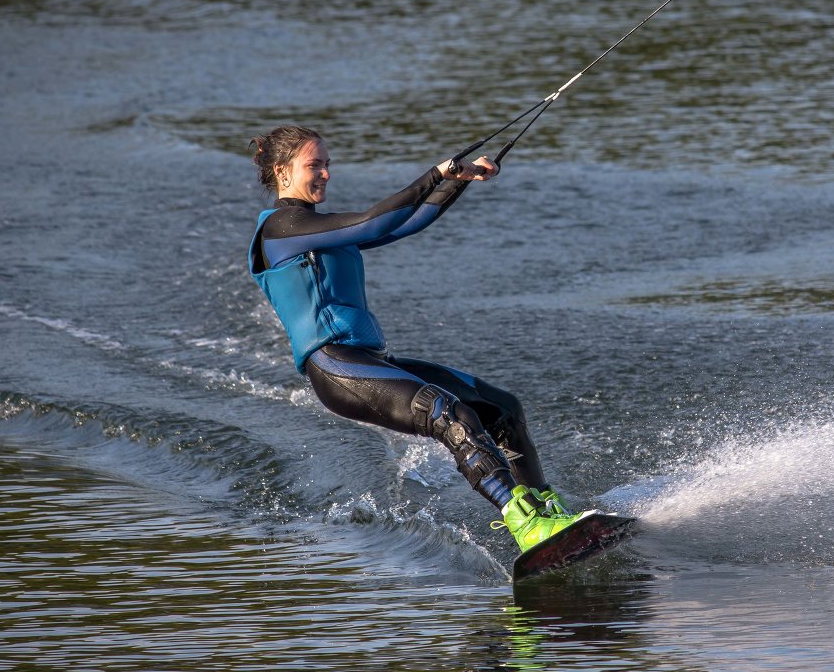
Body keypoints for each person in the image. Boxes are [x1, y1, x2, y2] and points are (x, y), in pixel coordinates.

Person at [247, 125, 592, 554]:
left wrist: (457, 180)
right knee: (447, 412)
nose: (326, 174)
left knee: (503, 409)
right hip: (335, 368)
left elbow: (407, 222)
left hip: (369, 358)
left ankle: (548, 512)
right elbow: (373, 221)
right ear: (282, 171)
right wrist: (436, 172)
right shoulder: (281, 229)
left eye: (328, 164)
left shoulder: (315, 228)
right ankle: (526, 527)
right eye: (314, 165)